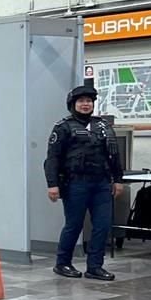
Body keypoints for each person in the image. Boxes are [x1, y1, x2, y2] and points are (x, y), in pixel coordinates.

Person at [44, 85, 124, 281]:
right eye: (81, 101)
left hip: (102, 184)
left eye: (89, 101)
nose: (85, 104)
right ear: (73, 104)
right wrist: (52, 184)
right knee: (74, 225)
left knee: (102, 225)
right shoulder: (63, 127)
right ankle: (62, 263)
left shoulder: (103, 126)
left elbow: (113, 155)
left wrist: (118, 180)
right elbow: (52, 158)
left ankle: (95, 267)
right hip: (75, 184)